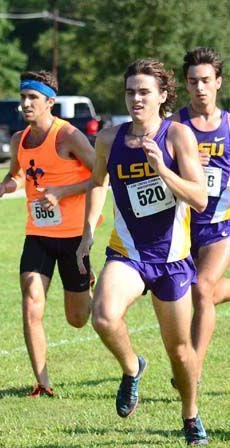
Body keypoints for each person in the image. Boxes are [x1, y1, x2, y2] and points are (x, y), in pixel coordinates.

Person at [76, 58, 209, 445]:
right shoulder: (108, 138)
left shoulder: (178, 136)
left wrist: (162, 170)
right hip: (128, 253)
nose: (136, 98)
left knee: (181, 353)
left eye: (145, 92)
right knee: (103, 316)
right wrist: (87, 231)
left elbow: (199, 198)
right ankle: (132, 368)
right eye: (131, 91)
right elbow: (97, 183)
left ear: (163, 95)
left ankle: (190, 415)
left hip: (172, 261)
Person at [0, 70, 96, 397]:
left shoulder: (69, 137)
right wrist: (4, 186)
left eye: (33, 97)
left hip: (74, 237)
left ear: (50, 101)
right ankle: (43, 383)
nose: (25, 103)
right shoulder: (18, 140)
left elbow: (102, 177)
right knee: (31, 300)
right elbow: (18, 175)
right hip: (38, 233)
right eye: (22, 97)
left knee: (77, 319)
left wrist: (63, 192)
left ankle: (94, 289)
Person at [170, 47, 230, 384]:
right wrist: (184, 163)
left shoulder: (229, 125)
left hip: (220, 226)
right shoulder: (174, 126)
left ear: (218, 82)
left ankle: (191, 369)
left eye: (206, 80)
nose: (200, 88)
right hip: (181, 227)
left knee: (203, 289)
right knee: (194, 292)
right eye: (193, 81)